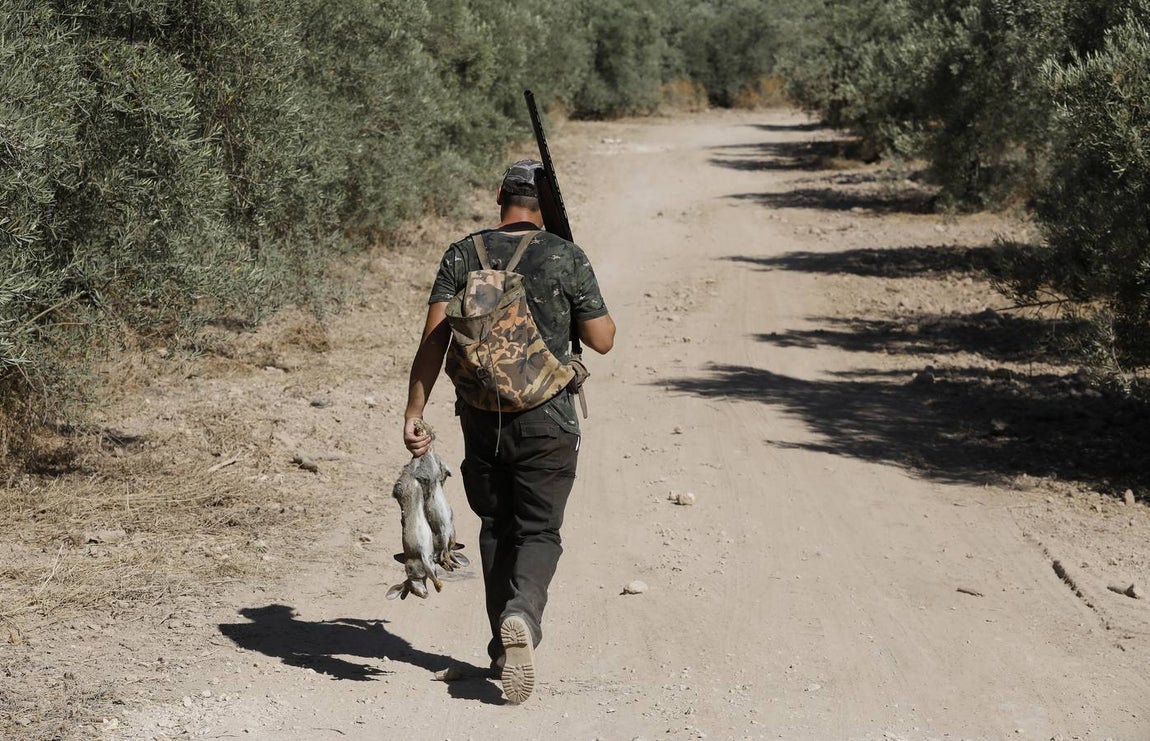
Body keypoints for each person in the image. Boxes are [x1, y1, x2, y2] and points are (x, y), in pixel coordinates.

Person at [402, 159, 616, 704]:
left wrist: (414, 412)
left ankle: (501, 647)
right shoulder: (566, 255)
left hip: (481, 420)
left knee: (496, 526)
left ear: (500, 196)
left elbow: (434, 342)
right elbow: (603, 339)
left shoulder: (462, 253)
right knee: (539, 531)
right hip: (548, 420)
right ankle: (523, 615)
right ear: (546, 205)